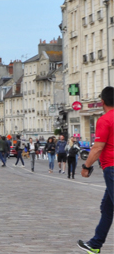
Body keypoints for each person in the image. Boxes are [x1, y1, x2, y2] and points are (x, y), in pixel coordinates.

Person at [78, 87, 114, 253]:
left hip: (112, 167)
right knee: (107, 208)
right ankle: (95, 244)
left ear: (103, 102)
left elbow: (98, 147)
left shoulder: (105, 120)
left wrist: (86, 166)